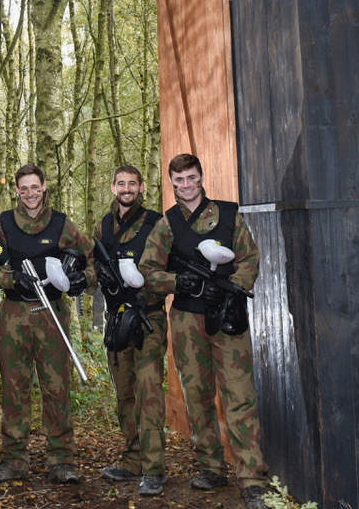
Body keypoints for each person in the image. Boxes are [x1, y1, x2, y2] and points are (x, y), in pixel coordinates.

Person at [139, 153, 271, 509]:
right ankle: (211, 466)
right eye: (178, 180)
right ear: (172, 183)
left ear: (201, 177)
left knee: (239, 395)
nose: (186, 185)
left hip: (227, 315)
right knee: (197, 396)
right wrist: (179, 282)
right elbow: (147, 272)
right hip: (186, 320)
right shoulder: (167, 225)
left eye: (191, 178)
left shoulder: (228, 215)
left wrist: (232, 286)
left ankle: (252, 478)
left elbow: (250, 258)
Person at [0, 163, 93, 484]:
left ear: (44, 187)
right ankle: (14, 460)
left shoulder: (61, 225)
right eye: (23, 188)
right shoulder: (3, 225)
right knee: (15, 389)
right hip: (14, 315)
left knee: (56, 388)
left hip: (52, 314)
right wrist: (10, 279)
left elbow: (91, 258)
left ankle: (62, 460)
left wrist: (79, 278)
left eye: (34, 187)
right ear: (17, 190)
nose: (29, 193)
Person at [94, 165, 169, 497]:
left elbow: (172, 267)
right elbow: (92, 266)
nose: (126, 189)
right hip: (115, 318)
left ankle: (153, 469)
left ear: (140, 187)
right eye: (120, 183)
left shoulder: (157, 223)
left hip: (147, 316)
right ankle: (133, 457)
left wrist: (144, 280)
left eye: (132, 184)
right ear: (113, 187)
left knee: (149, 391)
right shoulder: (103, 226)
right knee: (124, 392)